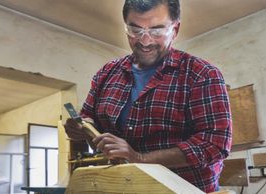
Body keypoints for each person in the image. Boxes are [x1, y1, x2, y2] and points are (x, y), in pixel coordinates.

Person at [64, 0, 232, 192]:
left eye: (156, 30)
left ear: (175, 30)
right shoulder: (106, 73)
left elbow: (214, 145)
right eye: (135, 30)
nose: (145, 41)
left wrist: (139, 158)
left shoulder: (202, 74)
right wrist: (81, 128)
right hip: (120, 187)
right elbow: (89, 120)